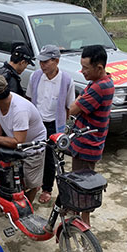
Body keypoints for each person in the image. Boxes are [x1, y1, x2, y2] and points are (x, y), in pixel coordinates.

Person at [0, 74, 47, 203]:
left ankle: (27, 209)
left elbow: (18, 141)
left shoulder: (20, 110)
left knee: (31, 183)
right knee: (8, 174)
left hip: (33, 146)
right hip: (15, 139)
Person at [68, 44, 115, 225]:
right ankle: (74, 212)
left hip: (87, 145)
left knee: (84, 186)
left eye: (86, 68)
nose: (82, 72)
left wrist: (74, 102)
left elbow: (72, 109)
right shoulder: (101, 81)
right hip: (86, 142)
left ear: (99, 67)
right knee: (78, 182)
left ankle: (84, 223)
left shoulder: (99, 87)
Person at [26, 45, 77, 204]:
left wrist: (63, 128)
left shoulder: (67, 80)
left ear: (56, 61)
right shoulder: (35, 77)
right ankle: (30, 184)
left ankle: (46, 188)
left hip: (53, 125)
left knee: (50, 158)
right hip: (36, 123)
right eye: (40, 62)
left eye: (46, 62)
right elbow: (29, 99)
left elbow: (69, 107)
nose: (42, 65)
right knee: (31, 154)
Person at [0, 42, 33, 131]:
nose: (25, 68)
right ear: (22, 62)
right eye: (26, 64)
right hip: (1, 126)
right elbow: (9, 107)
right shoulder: (11, 79)